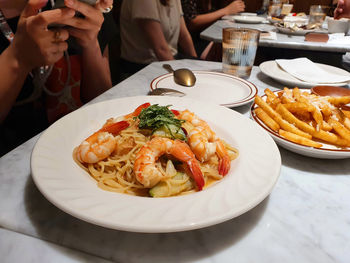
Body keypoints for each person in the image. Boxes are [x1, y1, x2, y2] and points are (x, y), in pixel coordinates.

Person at [0, 0, 116, 156]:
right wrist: (17, 58)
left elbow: (103, 99)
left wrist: (91, 43)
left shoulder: (80, 4)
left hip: (86, 150)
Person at [119, 0, 197, 76]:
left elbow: (184, 36)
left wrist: (196, 63)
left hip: (169, 62)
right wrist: (178, 76)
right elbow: (161, 49)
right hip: (143, 70)